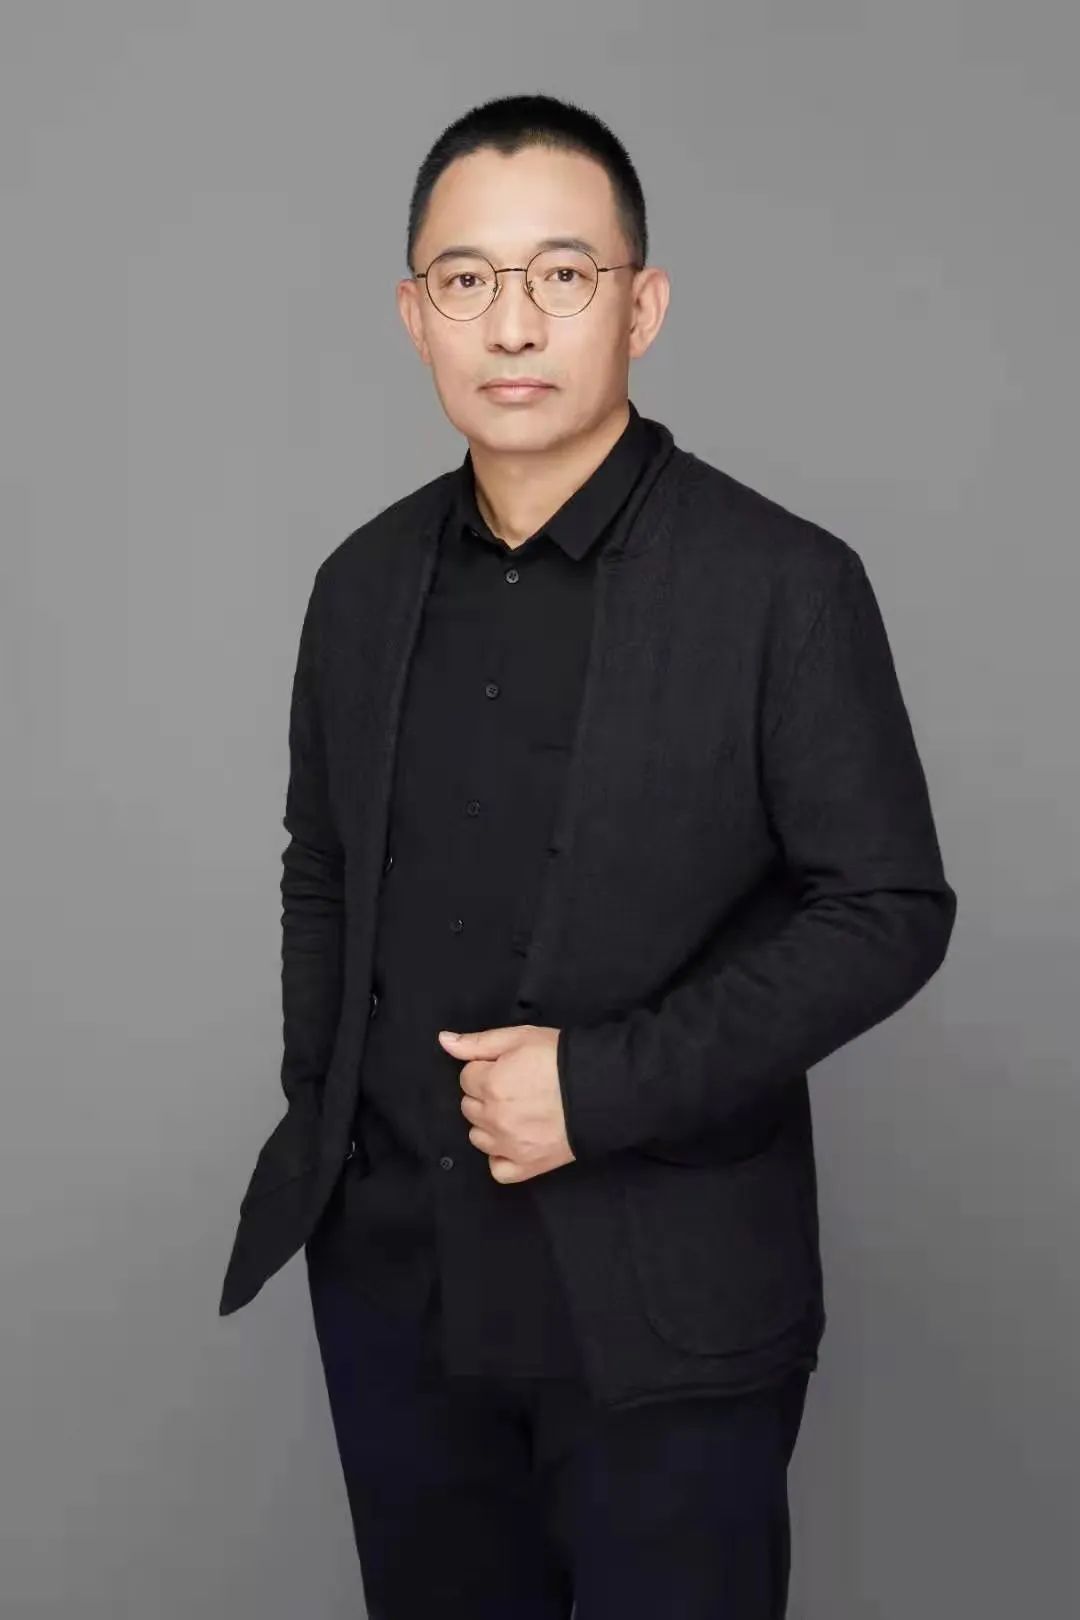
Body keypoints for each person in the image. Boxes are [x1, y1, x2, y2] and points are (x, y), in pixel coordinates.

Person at [218, 92, 957, 1618]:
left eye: (564, 274)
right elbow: (323, 869)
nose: (514, 324)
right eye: (467, 279)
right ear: (415, 316)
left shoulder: (785, 586)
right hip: (397, 1297)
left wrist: (601, 1088)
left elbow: (889, 908)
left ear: (643, 305)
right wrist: (326, 1119)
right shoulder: (358, 586)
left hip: (667, 1307)